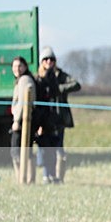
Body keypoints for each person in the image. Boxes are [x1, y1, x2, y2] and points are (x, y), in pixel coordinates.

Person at [36, 46, 81, 183]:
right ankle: (46, 175)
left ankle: (58, 177)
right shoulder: (38, 78)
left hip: (59, 118)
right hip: (44, 118)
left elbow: (76, 85)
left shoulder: (61, 75)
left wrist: (59, 89)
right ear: (41, 62)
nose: (49, 61)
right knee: (45, 147)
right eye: (46, 59)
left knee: (58, 147)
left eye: (52, 59)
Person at [10, 56, 37, 182]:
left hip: (23, 121)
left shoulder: (24, 80)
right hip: (24, 120)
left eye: (19, 66)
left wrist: (16, 121)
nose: (17, 69)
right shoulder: (21, 79)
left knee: (17, 151)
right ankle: (26, 179)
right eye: (14, 66)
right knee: (26, 150)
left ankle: (23, 178)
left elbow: (23, 102)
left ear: (25, 67)